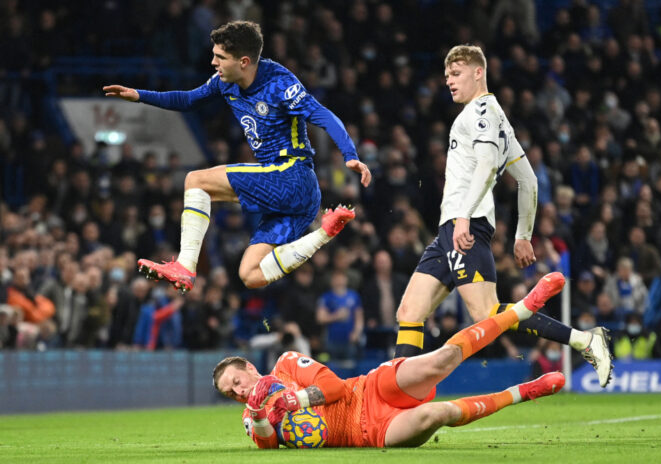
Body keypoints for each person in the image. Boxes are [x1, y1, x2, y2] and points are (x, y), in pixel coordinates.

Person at [393, 44, 613, 387]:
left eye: (456, 73)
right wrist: (523, 235)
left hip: (464, 225)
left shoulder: (481, 112)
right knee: (410, 312)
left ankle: (585, 340)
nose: (449, 81)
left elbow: (486, 166)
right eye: (447, 75)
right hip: (450, 229)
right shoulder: (496, 119)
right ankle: (398, 397)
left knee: (486, 313)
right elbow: (528, 180)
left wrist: (464, 217)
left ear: (478, 72)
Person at [103, 21, 371, 293]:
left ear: (243, 62)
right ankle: (325, 233)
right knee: (251, 274)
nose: (213, 62)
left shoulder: (280, 84)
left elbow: (322, 114)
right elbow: (188, 100)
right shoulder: (224, 82)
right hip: (297, 195)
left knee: (196, 180)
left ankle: (185, 266)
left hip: (292, 176)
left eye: (220, 57)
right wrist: (139, 95)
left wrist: (350, 154)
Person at [213, 272, 566, 449]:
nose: (238, 392)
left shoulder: (287, 363)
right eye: (230, 393)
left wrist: (295, 399)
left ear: (249, 368)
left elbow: (334, 388)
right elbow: (268, 446)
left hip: (369, 391)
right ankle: (522, 392)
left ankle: (521, 309)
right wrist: (259, 413)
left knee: (442, 360)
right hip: (370, 433)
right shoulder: (250, 417)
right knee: (437, 413)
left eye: (236, 382)